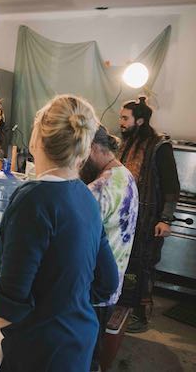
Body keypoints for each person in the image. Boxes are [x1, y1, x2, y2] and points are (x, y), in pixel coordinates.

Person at [0, 95, 119, 372]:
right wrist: (61, 300)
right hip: (79, 342)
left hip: (40, 352)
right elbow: (107, 282)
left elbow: (9, 307)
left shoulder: (33, 199)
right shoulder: (85, 195)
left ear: (36, 139)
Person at [118, 96, 180, 333]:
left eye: (125, 118)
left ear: (140, 121)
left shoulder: (159, 147)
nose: (121, 122)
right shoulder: (126, 143)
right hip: (126, 219)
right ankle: (122, 310)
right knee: (125, 265)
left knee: (143, 267)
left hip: (149, 221)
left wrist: (166, 219)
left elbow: (171, 186)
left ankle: (140, 315)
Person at [81, 125, 138, 371]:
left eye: (80, 154)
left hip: (92, 291)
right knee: (94, 353)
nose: (77, 162)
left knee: (85, 357)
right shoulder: (125, 175)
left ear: (93, 148)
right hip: (111, 288)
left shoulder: (100, 188)